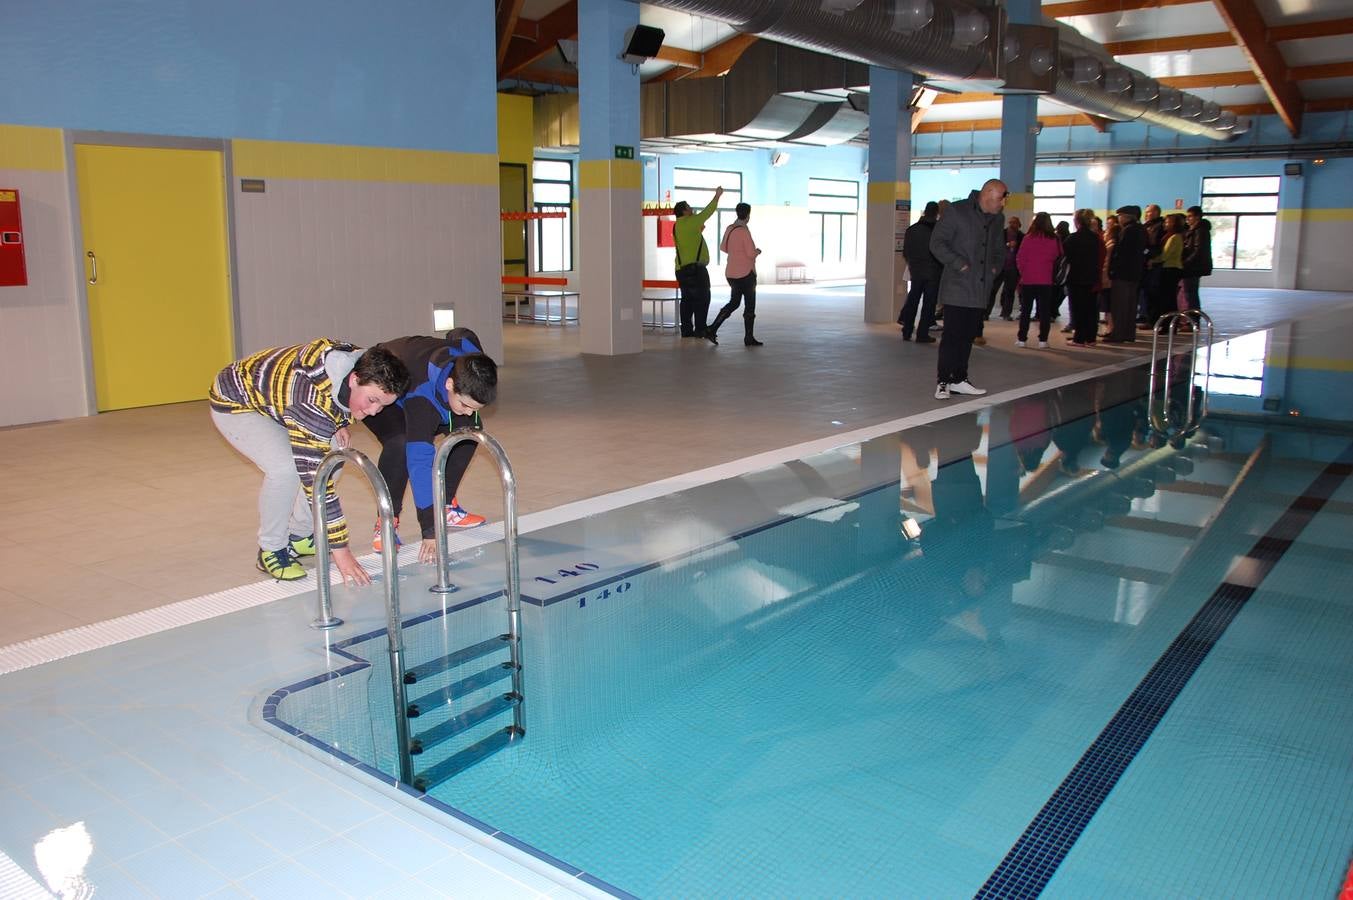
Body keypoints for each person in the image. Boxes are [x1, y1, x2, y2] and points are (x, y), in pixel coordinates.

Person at [210, 340, 410, 583]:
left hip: (279, 397)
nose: (374, 411)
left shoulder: (359, 361)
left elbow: (338, 399)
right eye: (372, 400)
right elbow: (315, 479)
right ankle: (271, 548)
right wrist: (341, 550)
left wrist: (340, 422)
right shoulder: (311, 401)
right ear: (354, 379)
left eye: (382, 405)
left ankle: (301, 535)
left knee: (334, 461)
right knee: (285, 469)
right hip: (237, 401)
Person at [364, 329, 498, 561]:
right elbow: (420, 465)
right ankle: (387, 520)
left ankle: (445, 505)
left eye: (475, 407)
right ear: (449, 384)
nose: (469, 411)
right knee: (400, 444)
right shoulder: (421, 399)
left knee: (469, 431)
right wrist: (429, 529)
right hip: (384, 382)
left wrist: (468, 411)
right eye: (466, 405)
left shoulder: (473, 362)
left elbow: (461, 333)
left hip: (422, 368)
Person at [929, 178, 1007, 399]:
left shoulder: (997, 218)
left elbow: (999, 249)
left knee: (968, 335)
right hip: (957, 286)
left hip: (980, 287)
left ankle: (959, 379)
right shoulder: (957, 211)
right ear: (988, 194)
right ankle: (943, 381)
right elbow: (937, 243)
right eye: (1001, 198)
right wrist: (958, 263)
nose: (1002, 203)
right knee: (952, 336)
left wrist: (995, 268)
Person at [707, 202, 763, 346]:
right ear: (748, 215)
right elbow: (751, 254)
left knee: (734, 302)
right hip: (746, 274)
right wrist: (758, 251)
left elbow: (723, 247)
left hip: (731, 273)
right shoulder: (744, 231)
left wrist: (736, 252)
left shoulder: (730, 228)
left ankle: (712, 329)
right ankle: (748, 338)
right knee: (749, 306)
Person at [672, 186, 724, 338]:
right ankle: (700, 329)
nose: (691, 208)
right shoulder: (691, 221)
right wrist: (717, 196)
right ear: (683, 211)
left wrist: (697, 231)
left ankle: (686, 330)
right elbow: (708, 212)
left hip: (680, 269)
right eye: (688, 207)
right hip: (696, 270)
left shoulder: (677, 226)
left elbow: (687, 241)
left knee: (687, 300)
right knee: (702, 298)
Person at [1013, 211, 1060, 349]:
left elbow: (1020, 258)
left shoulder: (1028, 238)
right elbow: (1055, 256)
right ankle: (1043, 341)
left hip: (1028, 279)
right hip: (1045, 279)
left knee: (1026, 311)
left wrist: (1023, 272)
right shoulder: (1054, 239)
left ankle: (1022, 339)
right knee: (1044, 311)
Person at [898, 200, 942, 344]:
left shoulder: (912, 229)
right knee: (929, 304)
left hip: (916, 271)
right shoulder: (937, 231)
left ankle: (907, 331)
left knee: (913, 300)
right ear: (936, 213)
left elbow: (906, 252)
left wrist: (913, 264)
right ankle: (922, 334)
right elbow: (941, 253)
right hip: (932, 273)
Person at [1106, 205, 1148, 343]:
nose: (1119, 219)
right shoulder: (1142, 230)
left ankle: (1118, 334)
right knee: (1131, 305)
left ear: (1126, 216)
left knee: (1120, 305)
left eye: (1120, 216)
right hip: (1135, 273)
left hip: (1123, 273)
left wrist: (1112, 270)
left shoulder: (1127, 231)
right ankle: (1129, 334)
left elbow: (1121, 252)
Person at [1062, 209, 1104, 346]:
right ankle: (1091, 338)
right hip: (1092, 277)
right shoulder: (1096, 238)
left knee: (1077, 309)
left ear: (1077, 221)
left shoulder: (1072, 238)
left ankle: (1079, 338)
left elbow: (1065, 257)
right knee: (1091, 309)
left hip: (1076, 277)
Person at [986, 217, 1023, 323]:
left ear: (1019, 224)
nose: (1012, 225)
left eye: (1015, 223)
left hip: (1013, 267)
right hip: (1000, 266)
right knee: (992, 290)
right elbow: (994, 248)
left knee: (1009, 291)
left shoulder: (1021, 236)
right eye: (1011, 223)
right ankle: (986, 312)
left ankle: (1007, 313)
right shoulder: (1001, 234)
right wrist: (1007, 245)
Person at [1153, 213, 1186, 326]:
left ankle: (1169, 324)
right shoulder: (1171, 236)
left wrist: (1151, 261)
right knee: (1168, 298)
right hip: (1170, 269)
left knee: (1168, 299)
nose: (1165, 224)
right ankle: (1170, 324)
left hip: (1171, 270)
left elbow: (1165, 255)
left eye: (1167, 222)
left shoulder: (1174, 237)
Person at [1181, 205, 1213, 313]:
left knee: (1191, 293)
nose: (1188, 219)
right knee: (1189, 293)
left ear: (1197, 217)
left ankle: (1193, 319)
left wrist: (1185, 263)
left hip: (1194, 267)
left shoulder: (1200, 231)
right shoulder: (1192, 230)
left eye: (1190, 216)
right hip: (1191, 266)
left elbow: (1198, 250)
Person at [1139, 203, 1165, 327]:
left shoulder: (1159, 227)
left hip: (1154, 264)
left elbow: (1155, 246)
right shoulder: (1147, 226)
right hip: (1145, 262)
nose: (1146, 214)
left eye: (1149, 212)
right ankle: (1144, 315)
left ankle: (1152, 319)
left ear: (1155, 213)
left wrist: (1150, 257)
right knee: (1145, 292)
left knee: (1152, 292)